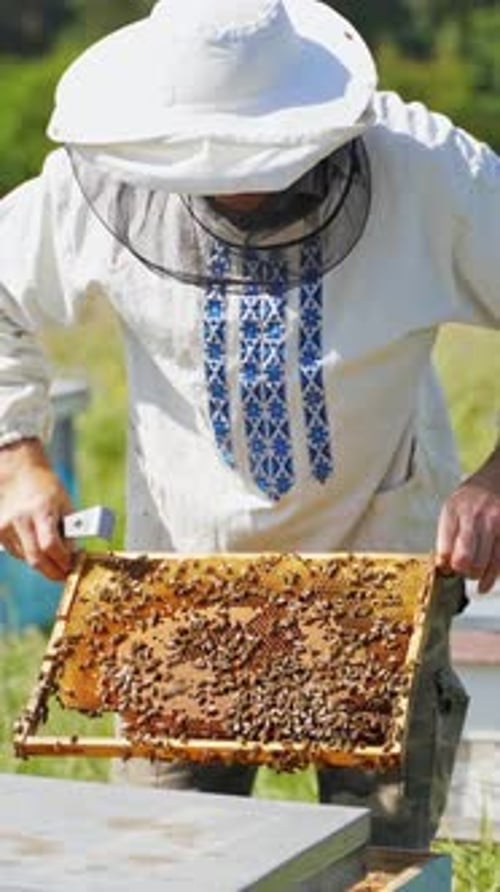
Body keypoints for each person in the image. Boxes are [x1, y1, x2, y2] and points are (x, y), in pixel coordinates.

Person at [0, 0, 499, 849]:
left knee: (377, 861)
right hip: (181, 587)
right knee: (171, 859)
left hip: (384, 572)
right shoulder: (103, 177)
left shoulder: (433, 169)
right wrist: (15, 454)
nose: (241, 184)